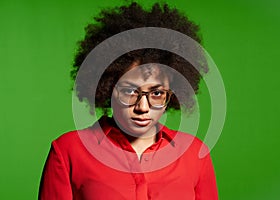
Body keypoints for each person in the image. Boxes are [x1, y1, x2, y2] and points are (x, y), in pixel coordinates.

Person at [39, 2, 218, 200]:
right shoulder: (68, 150)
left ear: (172, 93)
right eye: (130, 91)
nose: (143, 107)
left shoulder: (194, 153)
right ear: (106, 87)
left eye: (157, 93)